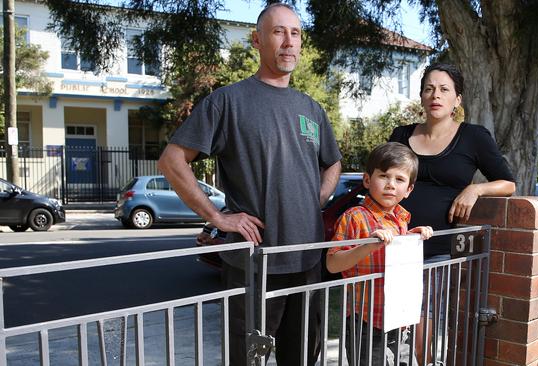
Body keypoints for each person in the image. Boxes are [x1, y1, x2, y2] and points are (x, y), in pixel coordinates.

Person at [157, 3, 342, 364]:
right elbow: (172, 160)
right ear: (257, 40)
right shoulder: (228, 102)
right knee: (248, 359)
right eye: (278, 32)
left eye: (295, 33)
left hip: (308, 261)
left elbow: (332, 162)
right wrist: (218, 217)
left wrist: (312, 198)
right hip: (255, 264)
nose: (288, 42)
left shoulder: (312, 109)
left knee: (303, 356)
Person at [388, 62, 516, 364]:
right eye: (429, 88)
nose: (436, 95)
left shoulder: (473, 136)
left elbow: (508, 182)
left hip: (438, 252)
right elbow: (385, 179)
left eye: (445, 89)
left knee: (423, 336)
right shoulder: (401, 134)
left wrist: (475, 189)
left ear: (457, 99)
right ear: (421, 96)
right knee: (387, 331)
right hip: (395, 246)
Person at [326, 142, 434, 366]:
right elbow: (332, 263)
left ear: (409, 190)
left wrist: (413, 236)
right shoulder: (354, 216)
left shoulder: (402, 219)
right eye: (384, 176)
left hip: (397, 316)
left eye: (400, 180)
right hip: (364, 319)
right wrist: (368, 245)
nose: (391, 185)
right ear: (367, 180)